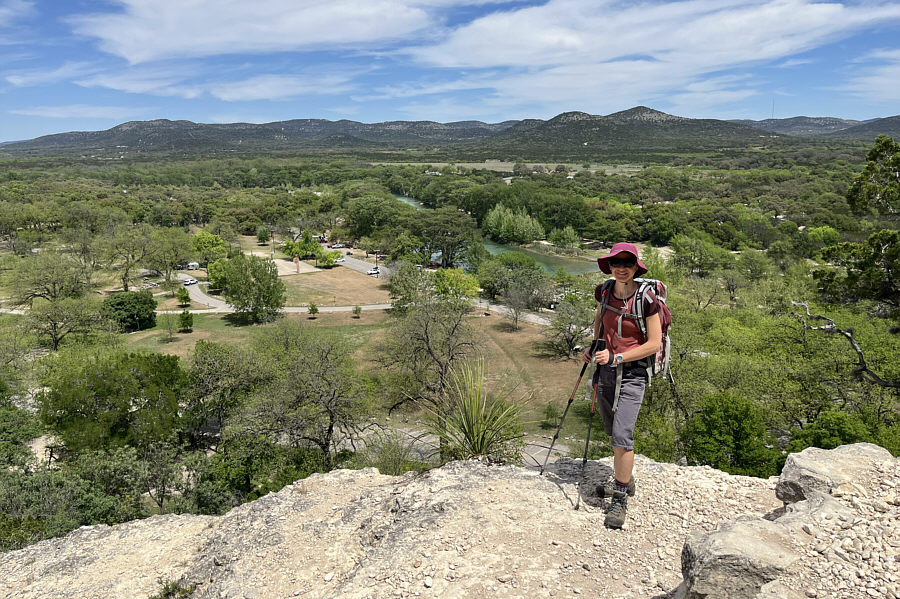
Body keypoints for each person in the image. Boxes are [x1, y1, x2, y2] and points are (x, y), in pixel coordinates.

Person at [582, 242, 662, 529]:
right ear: (610, 266)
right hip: (606, 370)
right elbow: (600, 321)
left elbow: (653, 344)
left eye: (628, 263)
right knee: (610, 428)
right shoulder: (604, 292)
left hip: (634, 372)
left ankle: (620, 498)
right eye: (617, 263)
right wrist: (596, 345)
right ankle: (625, 481)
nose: (622, 268)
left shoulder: (647, 299)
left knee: (622, 435)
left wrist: (617, 356)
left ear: (636, 267)